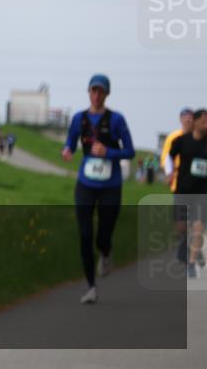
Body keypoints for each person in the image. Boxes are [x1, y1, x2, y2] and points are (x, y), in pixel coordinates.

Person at [61, 74, 135, 304]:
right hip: (85, 184)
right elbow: (71, 142)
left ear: (107, 94)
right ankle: (91, 287)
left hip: (110, 186)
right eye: (93, 90)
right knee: (84, 235)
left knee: (103, 234)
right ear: (88, 92)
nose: (96, 95)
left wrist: (109, 153)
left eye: (101, 91)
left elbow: (130, 151)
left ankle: (105, 251)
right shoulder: (78, 119)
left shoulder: (116, 120)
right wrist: (68, 151)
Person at [163, 108, 207, 278]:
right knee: (181, 227)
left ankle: (191, 262)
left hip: (202, 192)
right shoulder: (181, 141)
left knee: (198, 226)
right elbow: (169, 157)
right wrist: (169, 172)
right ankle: (191, 246)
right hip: (183, 190)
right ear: (195, 122)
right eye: (204, 120)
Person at [162, 108, 194, 193]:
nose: (188, 119)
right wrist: (169, 172)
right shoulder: (173, 137)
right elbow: (166, 156)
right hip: (178, 175)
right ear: (180, 119)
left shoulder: (199, 136)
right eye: (185, 117)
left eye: (190, 117)